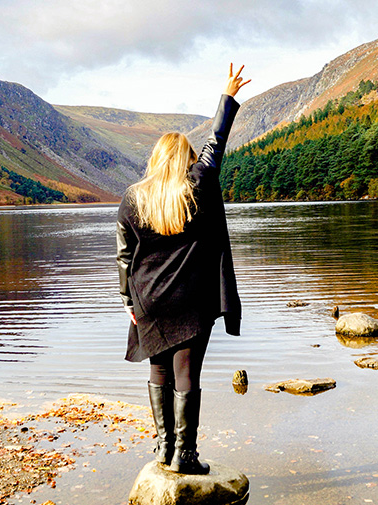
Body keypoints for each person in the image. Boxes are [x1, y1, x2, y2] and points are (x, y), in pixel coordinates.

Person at [116, 64, 250, 475]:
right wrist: (227, 97)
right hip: (192, 301)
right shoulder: (198, 185)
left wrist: (129, 303)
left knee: (159, 370)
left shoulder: (133, 199)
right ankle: (184, 456)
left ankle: (163, 449)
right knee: (186, 373)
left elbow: (124, 257)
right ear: (186, 160)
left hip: (150, 301)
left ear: (156, 159)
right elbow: (216, 143)